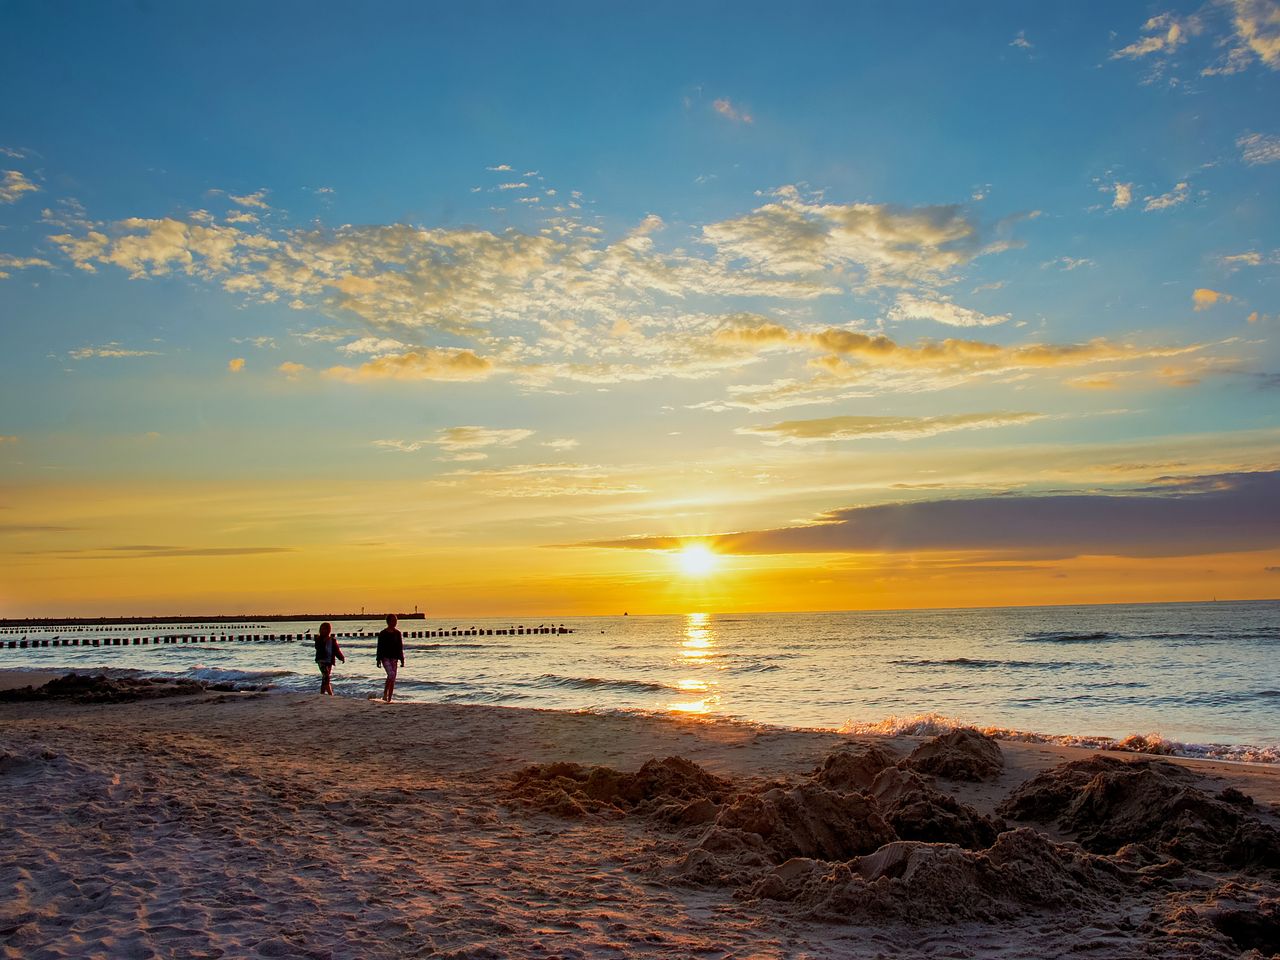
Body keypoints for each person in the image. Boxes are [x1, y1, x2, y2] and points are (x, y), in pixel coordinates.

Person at [375, 613, 405, 703]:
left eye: (396, 621)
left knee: (393, 678)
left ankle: (389, 698)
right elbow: (379, 647)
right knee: (391, 674)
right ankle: (385, 693)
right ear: (388, 622)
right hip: (385, 658)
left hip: (394, 658)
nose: (395, 622)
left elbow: (400, 647)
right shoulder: (383, 633)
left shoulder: (397, 633)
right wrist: (378, 659)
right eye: (393, 621)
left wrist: (402, 659)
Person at [314, 622, 345, 695]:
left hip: (329, 661)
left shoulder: (332, 640)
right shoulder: (318, 639)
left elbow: (336, 650)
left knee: (325, 678)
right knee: (326, 676)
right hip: (321, 660)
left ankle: (322, 693)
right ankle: (330, 694)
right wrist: (323, 642)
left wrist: (341, 657)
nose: (324, 631)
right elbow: (317, 647)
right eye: (323, 629)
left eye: (326, 629)